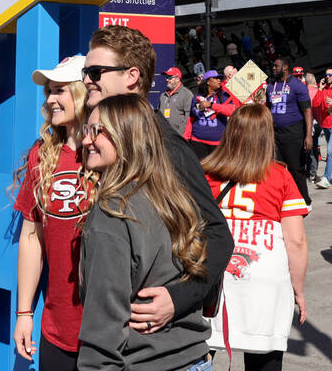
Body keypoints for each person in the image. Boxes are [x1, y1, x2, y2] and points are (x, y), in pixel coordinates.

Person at [81, 25, 232, 337]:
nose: (86, 81)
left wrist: (178, 297)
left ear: (131, 76)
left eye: (95, 72)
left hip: (152, 340)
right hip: (106, 325)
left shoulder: (166, 146)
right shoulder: (96, 139)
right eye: (85, 72)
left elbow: (218, 234)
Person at [78, 94, 211, 371]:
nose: (86, 140)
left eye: (96, 131)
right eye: (86, 130)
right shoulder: (173, 198)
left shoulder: (113, 213)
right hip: (195, 359)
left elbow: (104, 323)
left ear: (126, 136)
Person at [203, 104, 308, 371]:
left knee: (201, 353)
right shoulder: (281, 176)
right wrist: (298, 289)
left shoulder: (206, 173)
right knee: (264, 357)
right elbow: (296, 241)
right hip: (264, 279)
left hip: (212, 278)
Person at [12, 55, 93, 371]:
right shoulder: (42, 154)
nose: (50, 99)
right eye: (49, 91)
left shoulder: (112, 152)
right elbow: (32, 237)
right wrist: (24, 313)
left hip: (111, 329)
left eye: (60, 90)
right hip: (58, 327)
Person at [265, 57, 314, 206]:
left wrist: (308, 135)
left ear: (285, 68)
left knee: (296, 168)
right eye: (273, 66)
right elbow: (268, 109)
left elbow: (307, 111)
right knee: (276, 168)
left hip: (294, 132)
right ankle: (282, 200)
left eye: (276, 66)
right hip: (275, 133)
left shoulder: (297, 86)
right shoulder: (270, 86)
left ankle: (305, 200)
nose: (273, 69)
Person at [186, 71, 238, 160]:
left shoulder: (224, 96)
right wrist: (186, 137)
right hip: (197, 141)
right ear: (208, 82)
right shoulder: (196, 97)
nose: (219, 80)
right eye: (216, 78)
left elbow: (231, 111)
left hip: (217, 143)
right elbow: (191, 118)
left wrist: (211, 105)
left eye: (220, 78)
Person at [158, 67, 194, 137]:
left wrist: (181, 136)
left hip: (178, 137)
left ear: (177, 79)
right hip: (163, 135)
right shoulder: (163, 95)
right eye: (166, 77)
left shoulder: (187, 94)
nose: (167, 79)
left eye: (169, 77)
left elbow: (189, 118)